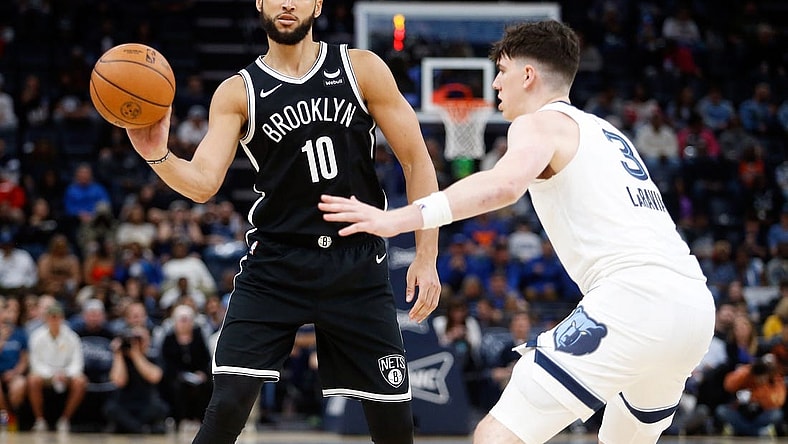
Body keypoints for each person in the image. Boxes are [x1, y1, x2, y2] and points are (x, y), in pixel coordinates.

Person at [320, 20, 715, 443]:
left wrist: (397, 218)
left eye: (503, 71)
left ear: (528, 75)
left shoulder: (539, 123)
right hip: (693, 307)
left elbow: (504, 186)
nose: (496, 84)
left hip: (634, 300)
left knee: (495, 436)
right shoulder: (609, 132)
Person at [124, 0, 441, 442]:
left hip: (356, 265)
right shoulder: (238, 92)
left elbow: (417, 161)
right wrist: (154, 153)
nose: (287, 2)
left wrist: (427, 255)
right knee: (228, 405)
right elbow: (201, 184)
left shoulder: (361, 68)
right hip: (275, 264)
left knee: (394, 428)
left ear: (318, 4)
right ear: (259, 3)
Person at [27, 302, 87, 432]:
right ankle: (40, 420)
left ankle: (65, 419)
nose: (54, 320)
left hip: (66, 374)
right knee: (32, 380)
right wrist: (52, 374)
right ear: (46, 318)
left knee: (81, 381)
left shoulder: (72, 336)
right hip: (45, 375)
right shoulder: (37, 336)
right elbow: (35, 363)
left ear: (62, 318)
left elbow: (77, 362)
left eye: (57, 317)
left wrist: (65, 373)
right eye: (51, 317)